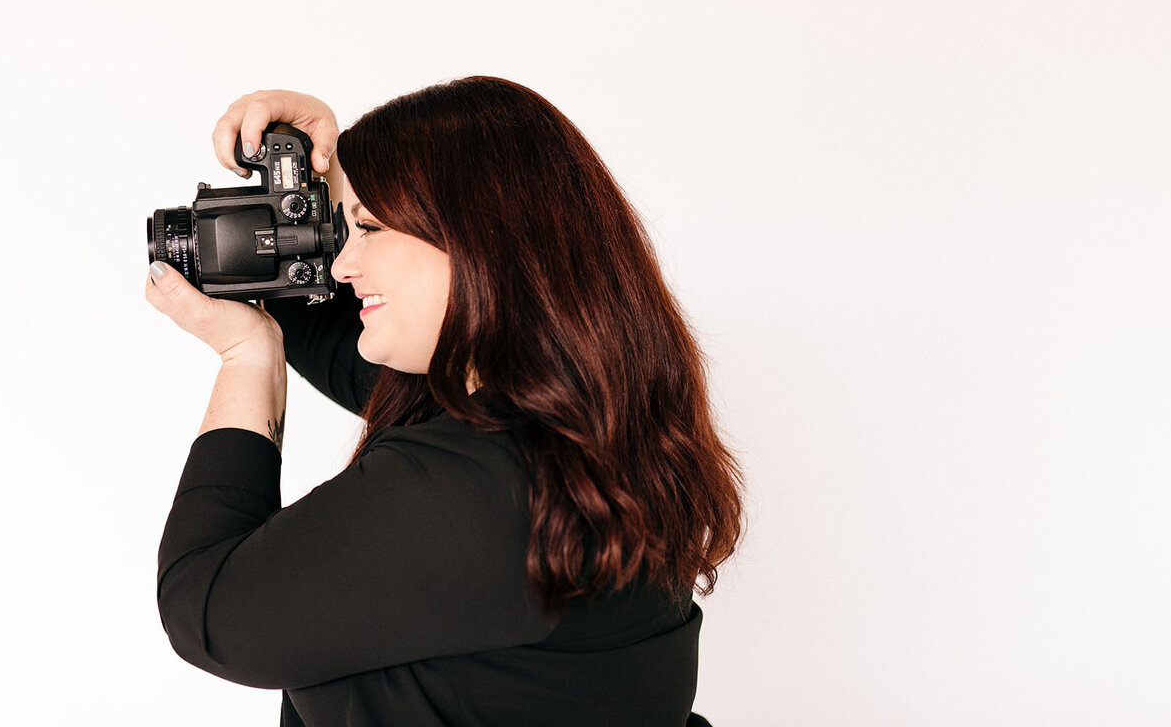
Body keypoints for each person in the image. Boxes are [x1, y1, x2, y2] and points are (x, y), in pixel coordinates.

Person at [144, 78, 743, 727]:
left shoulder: (482, 492)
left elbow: (206, 610)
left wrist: (247, 358)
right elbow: (342, 340)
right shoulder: (563, 426)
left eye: (368, 227)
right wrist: (311, 189)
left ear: (478, 243)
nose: (342, 266)